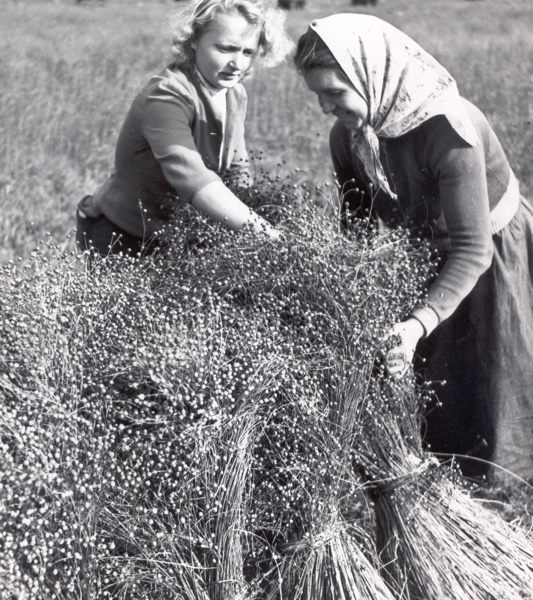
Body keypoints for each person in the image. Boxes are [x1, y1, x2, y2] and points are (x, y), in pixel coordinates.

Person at [293, 14, 533, 480]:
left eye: (335, 92)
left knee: (491, 389)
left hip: (490, 252)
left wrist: (416, 322)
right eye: (317, 95)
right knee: (442, 393)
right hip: (430, 251)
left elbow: (472, 249)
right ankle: (449, 484)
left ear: (371, 74)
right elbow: (356, 228)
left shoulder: (449, 129)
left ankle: (499, 506)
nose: (325, 106)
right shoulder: (348, 137)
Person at [76, 0, 293, 257]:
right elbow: (193, 179)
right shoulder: (166, 95)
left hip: (179, 236)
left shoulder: (234, 94)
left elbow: (237, 170)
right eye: (226, 49)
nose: (238, 64)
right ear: (193, 40)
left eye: (248, 52)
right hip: (124, 236)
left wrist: (254, 217)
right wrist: (265, 233)